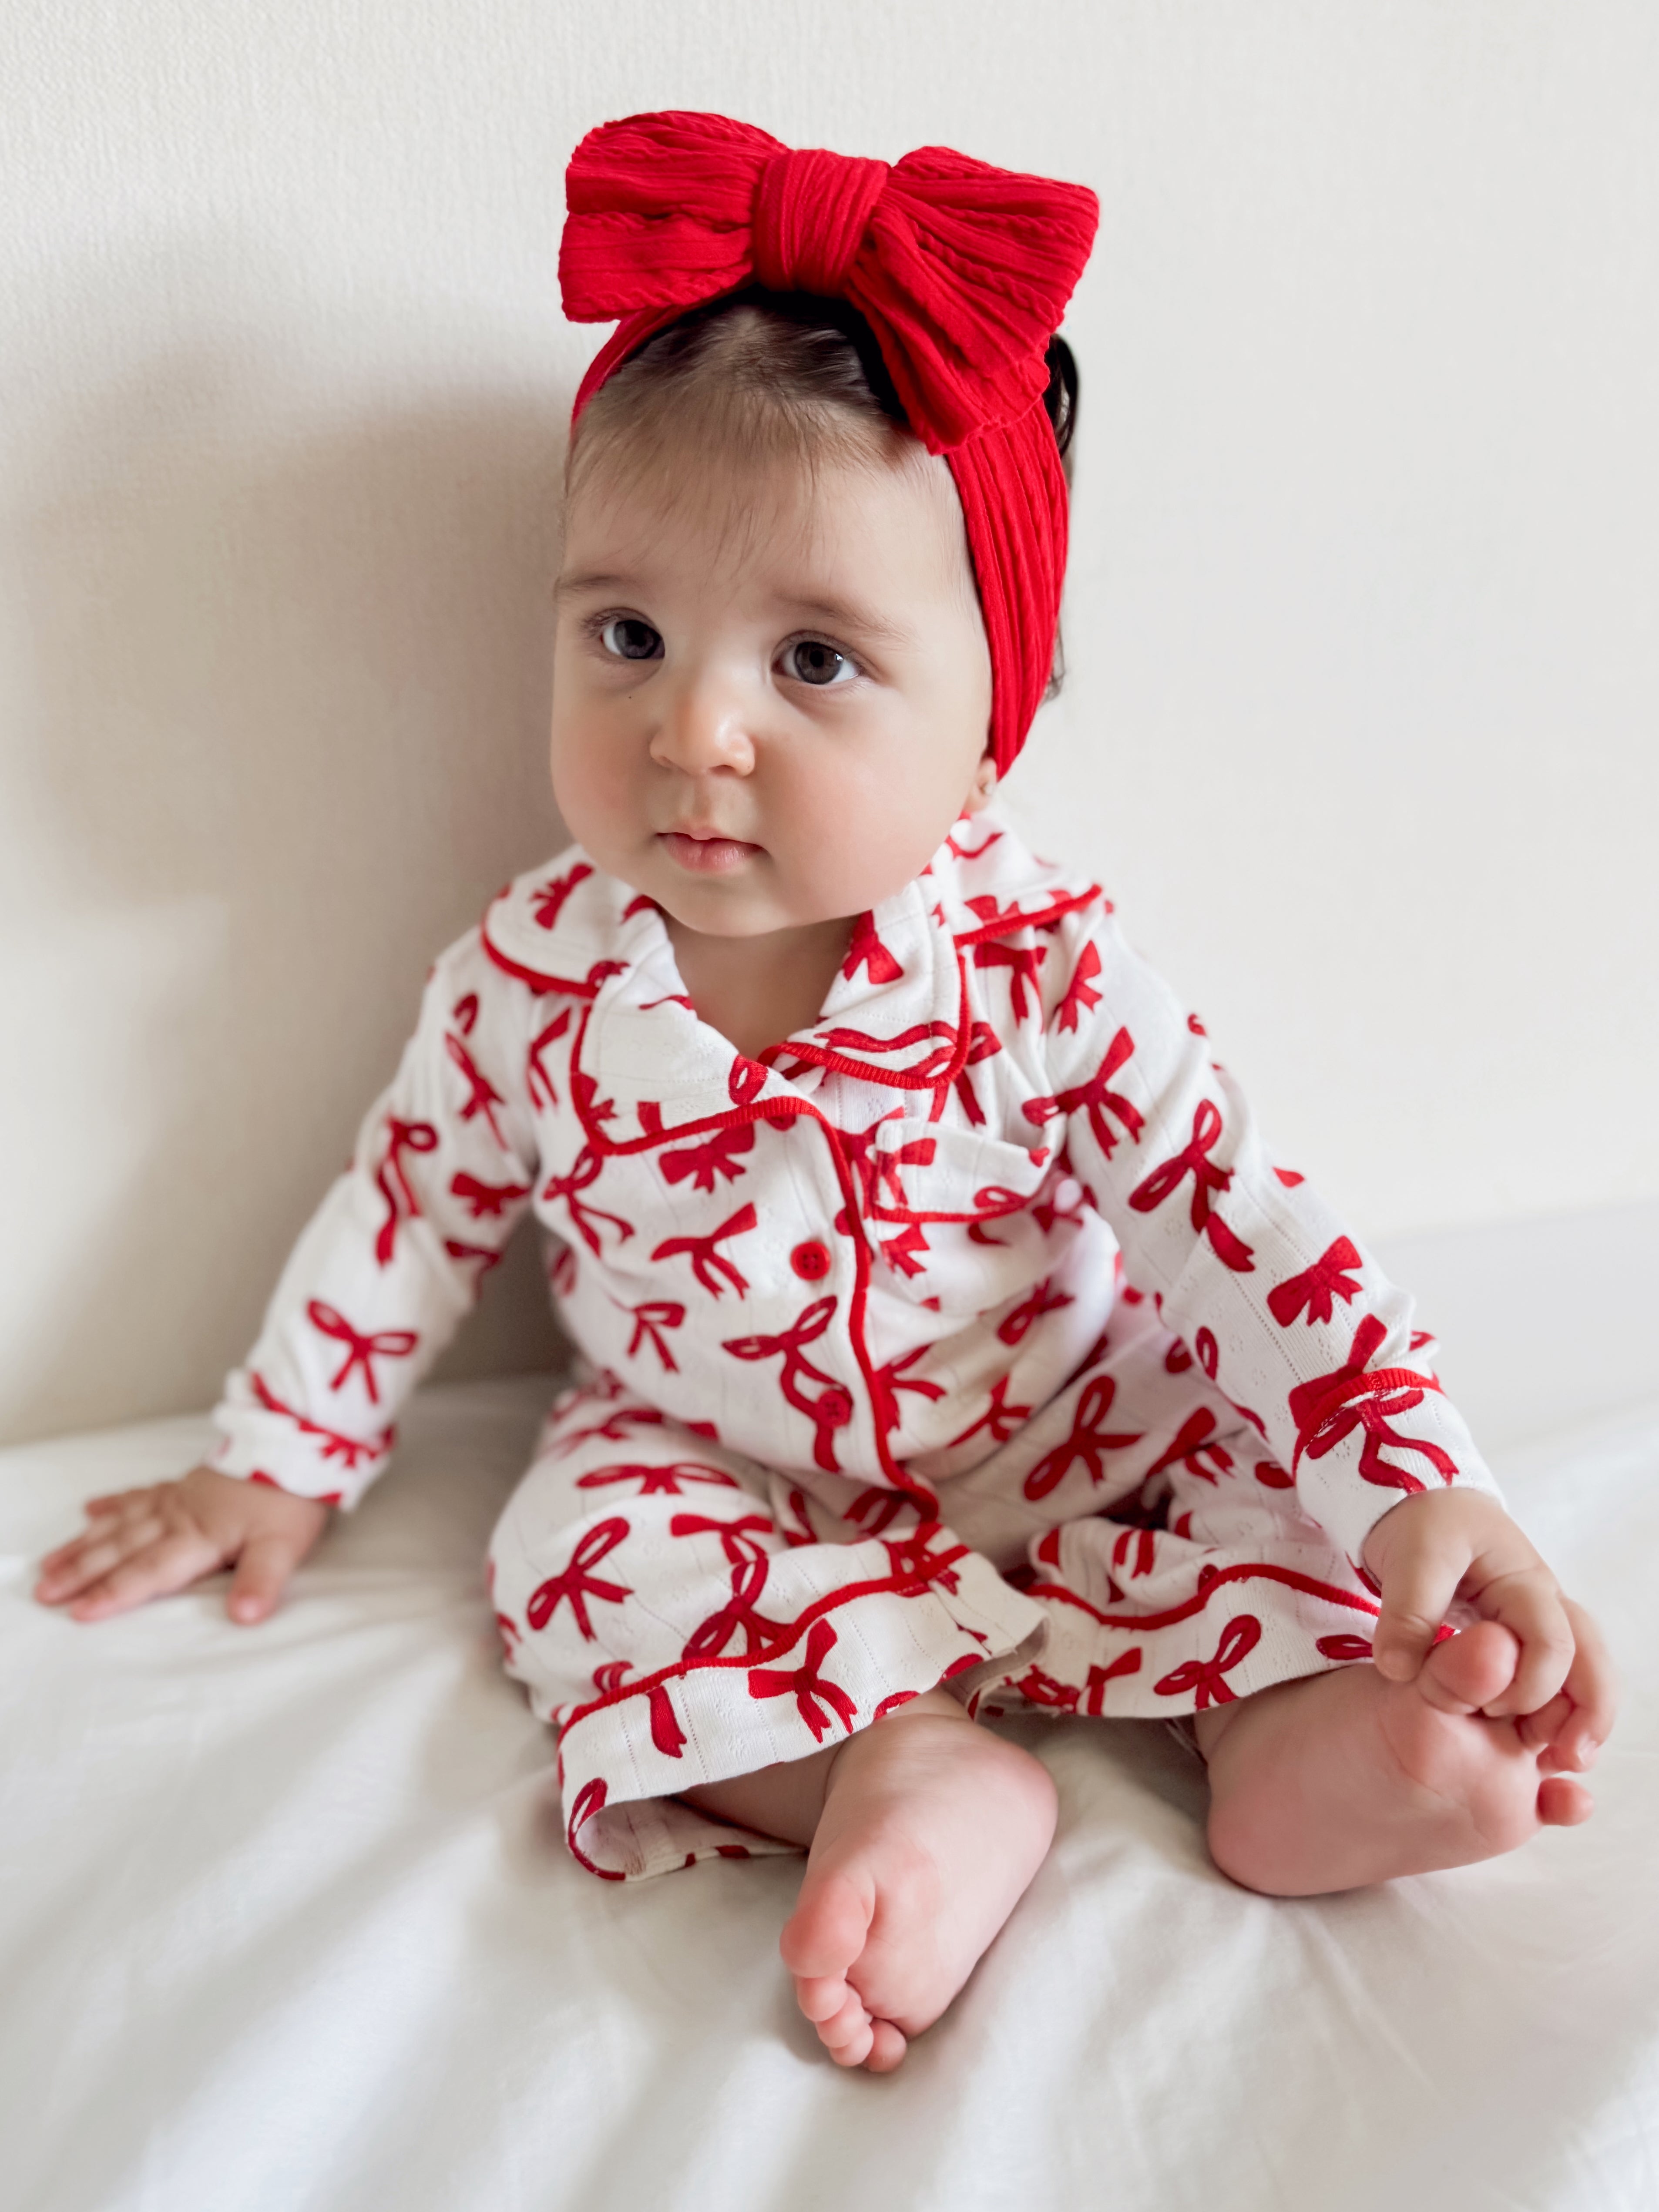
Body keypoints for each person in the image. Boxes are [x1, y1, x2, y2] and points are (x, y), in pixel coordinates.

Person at [34, 111, 1616, 2074]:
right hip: (721, 1455)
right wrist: (273, 1459)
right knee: (564, 1562)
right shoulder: (526, 978)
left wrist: (1409, 1484)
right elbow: (408, 1207)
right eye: (627, 635)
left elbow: (1229, 1217)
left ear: (986, 730)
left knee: (1262, 1496)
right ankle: (902, 1759)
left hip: (1071, 1430)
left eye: (811, 658)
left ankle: (1323, 1740)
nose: (693, 727)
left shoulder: (1041, 966)